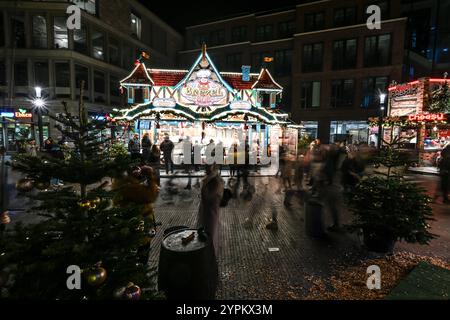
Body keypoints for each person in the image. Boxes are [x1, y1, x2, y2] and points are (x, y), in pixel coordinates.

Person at [197, 163, 224, 256]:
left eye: (207, 166)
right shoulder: (210, 178)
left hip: (211, 213)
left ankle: (211, 255)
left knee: (211, 234)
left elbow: (208, 197)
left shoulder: (215, 180)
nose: (205, 167)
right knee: (207, 233)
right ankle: (207, 253)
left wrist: (203, 185)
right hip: (206, 212)